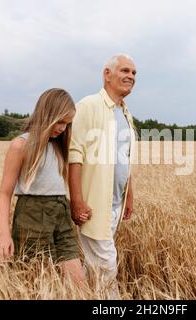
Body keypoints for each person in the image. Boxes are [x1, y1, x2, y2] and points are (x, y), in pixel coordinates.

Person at [0, 88, 85, 285]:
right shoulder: (21, 145)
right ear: (47, 114)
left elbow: (56, 184)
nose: (63, 128)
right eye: (60, 121)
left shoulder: (59, 145)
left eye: (67, 123)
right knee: (38, 286)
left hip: (61, 217)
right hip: (32, 217)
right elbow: (4, 194)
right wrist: (4, 235)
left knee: (80, 286)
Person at [68, 54, 137, 299]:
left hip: (116, 205)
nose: (130, 76)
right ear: (107, 74)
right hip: (93, 206)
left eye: (134, 73)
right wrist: (76, 201)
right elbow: (74, 154)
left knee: (96, 266)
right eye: (125, 71)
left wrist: (129, 196)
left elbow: (125, 159)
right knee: (107, 265)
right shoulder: (88, 106)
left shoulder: (125, 114)